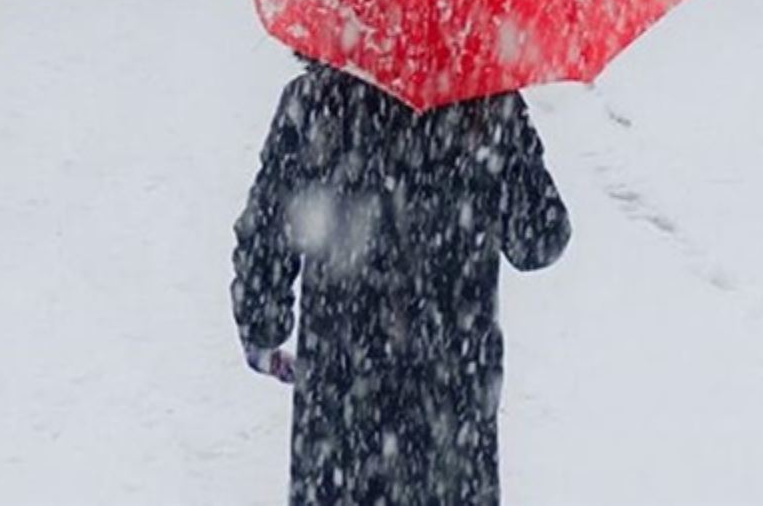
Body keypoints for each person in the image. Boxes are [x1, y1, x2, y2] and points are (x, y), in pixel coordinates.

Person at [231, 60, 572, 505]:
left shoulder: (316, 101)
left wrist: (263, 329)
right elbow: (539, 242)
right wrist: (506, 132)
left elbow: (266, 232)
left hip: (342, 388)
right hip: (451, 393)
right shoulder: (485, 108)